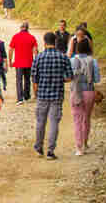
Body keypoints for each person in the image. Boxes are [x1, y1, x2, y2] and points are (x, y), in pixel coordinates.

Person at [32, 31, 74, 160]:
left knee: (40, 122)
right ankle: (50, 151)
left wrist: (36, 94)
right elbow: (70, 77)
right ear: (55, 42)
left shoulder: (38, 57)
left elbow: (34, 79)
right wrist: (60, 80)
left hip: (42, 95)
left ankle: (39, 148)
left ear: (44, 42)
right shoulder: (63, 57)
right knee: (54, 123)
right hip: (57, 95)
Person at [70, 38, 101, 155]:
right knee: (86, 118)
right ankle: (85, 143)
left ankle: (79, 148)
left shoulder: (72, 60)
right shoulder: (93, 61)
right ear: (89, 48)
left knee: (77, 119)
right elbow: (97, 79)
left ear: (77, 48)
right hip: (89, 91)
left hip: (76, 92)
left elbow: (68, 76)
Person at [9, 21, 39, 104]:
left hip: (19, 63)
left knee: (19, 80)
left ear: (21, 28)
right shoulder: (32, 37)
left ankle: (20, 99)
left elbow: (11, 50)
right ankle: (27, 96)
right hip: (29, 62)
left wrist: (10, 61)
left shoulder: (15, 36)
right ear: (27, 28)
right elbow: (35, 50)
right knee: (27, 79)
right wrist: (36, 61)